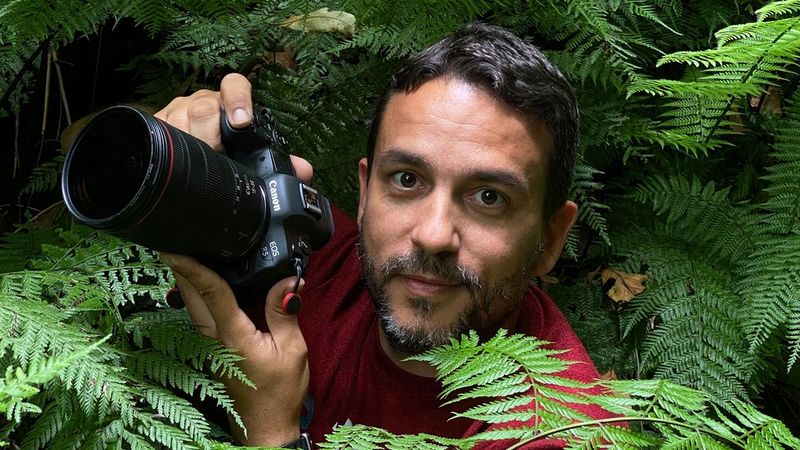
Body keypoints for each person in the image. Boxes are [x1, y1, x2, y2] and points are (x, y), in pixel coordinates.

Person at [157, 22, 611, 448]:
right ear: (365, 193)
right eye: (407, 180)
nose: (433, 235)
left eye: (489, 197)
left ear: (550, 239)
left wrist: (272, 431)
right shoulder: (316, 260)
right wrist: (177, 151)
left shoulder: (560, 430)